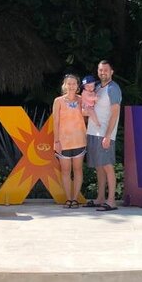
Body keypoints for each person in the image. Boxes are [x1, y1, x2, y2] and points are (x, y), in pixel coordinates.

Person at [85, 59, 122, 211]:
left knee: (107, 166)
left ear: (111, 72)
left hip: (105, 134)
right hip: (93, 132)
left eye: (105, 70)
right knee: (99, 167)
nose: (102, 72)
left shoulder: (113, 89)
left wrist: (107, 135)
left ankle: (111, 201)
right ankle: (100, 198)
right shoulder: (98, 88)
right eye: (100, 70)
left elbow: (115, 113)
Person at [52, 74, 87, 208]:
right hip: (63, 142)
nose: (71, 86)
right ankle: (68, 199)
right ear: (64, 85)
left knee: (78, 170)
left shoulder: (83, 99)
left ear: (78, 86)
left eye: (74, 84)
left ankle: (75, 198)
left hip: (80, 140)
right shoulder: (58, 101)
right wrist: (56, 141)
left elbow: (89, 115)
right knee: (65, 171)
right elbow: (56, 121)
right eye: (69, 84)